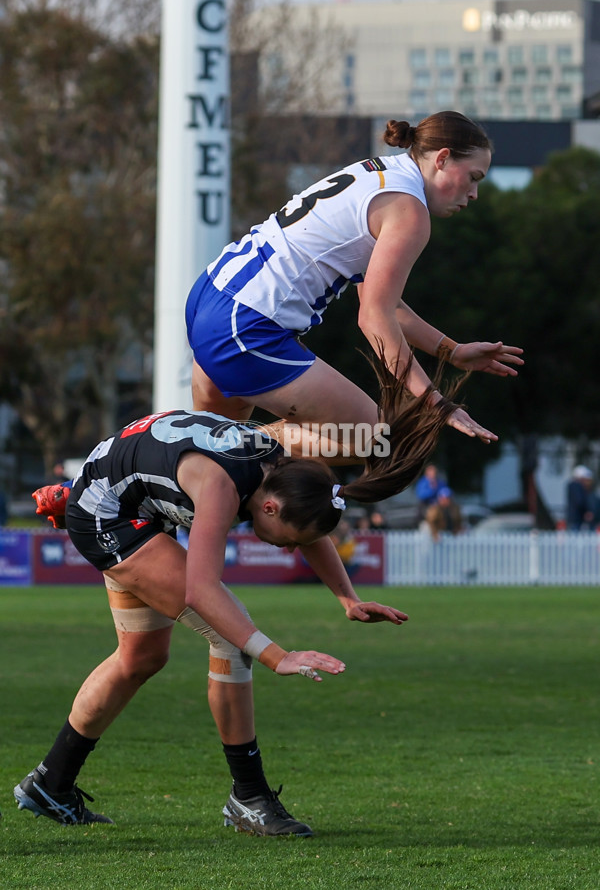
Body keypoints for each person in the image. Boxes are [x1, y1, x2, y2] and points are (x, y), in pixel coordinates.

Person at [16, 354, 460, 836]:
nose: (289, 547)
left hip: (121, 491)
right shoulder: (222, 486)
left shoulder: (282, 468)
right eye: (288, 538)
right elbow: (201, 590)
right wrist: (277, 657)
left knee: (140, 659)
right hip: (110, 515)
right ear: (268, 506)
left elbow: (307, 524)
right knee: (228, 636)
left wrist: (347, 598)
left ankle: (50, 784)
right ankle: (248, 797)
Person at [186, 110, 524, 463]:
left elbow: (385, 305)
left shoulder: (380, 171)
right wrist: (437, 404)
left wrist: (451, 351)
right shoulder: (410, 211)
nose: (474, 194)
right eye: (473, 177)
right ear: (441, 159)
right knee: (375, 441)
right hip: (246, 325)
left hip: (211, 295)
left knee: (213, 466)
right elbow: (374, 318)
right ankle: (234, 442)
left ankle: (190, 466)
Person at [566, 465, 596, 531]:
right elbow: (579, 501)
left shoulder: (573, 486)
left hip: (575, 518)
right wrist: (586, 511)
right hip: (576, 517)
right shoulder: (576, 486)